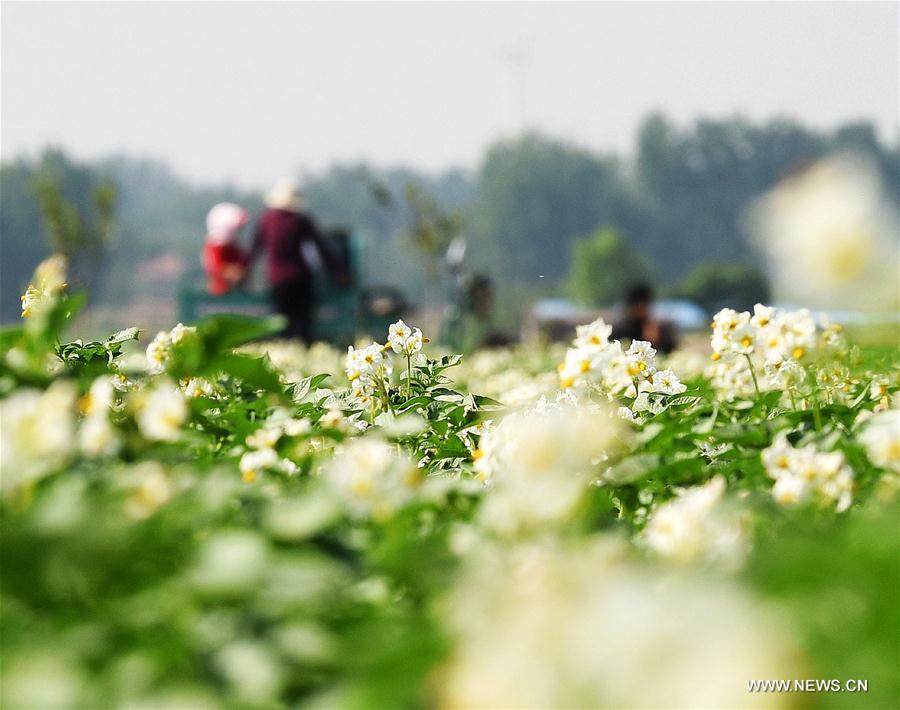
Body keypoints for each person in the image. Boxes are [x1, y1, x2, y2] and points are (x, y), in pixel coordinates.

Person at [247, 181, 334, 342]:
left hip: (277, 279)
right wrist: (336, 270)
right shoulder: (301, 221)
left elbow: (255, 249)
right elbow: (320, 247)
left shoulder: (265, 220)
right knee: (302, 324)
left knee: (280, 323)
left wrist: (245, 272)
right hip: (301, 277)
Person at [611, 282, 677, 354]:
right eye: (637, 304)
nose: (640, 308)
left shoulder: (656, 328)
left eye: (643, 304)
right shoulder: (621, 329)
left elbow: (670, 349)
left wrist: (656, 340)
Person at [202, 202, 249, 296]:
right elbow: (217, 268)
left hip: (235, 293)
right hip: (220, 293)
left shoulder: (234, 247)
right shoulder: (215, 246)